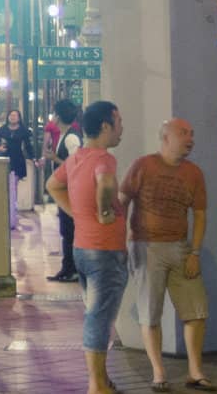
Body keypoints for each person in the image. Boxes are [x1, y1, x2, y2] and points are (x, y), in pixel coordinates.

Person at [120, 118, 215, 391]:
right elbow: (123, 200)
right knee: (150, 313)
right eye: (184, 133)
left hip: (180, 247)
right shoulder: (143, 165)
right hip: (145, 246)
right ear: (166, 138)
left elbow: (199, 214)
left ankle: (195, 371)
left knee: (196, 310)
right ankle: (158, 372)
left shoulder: (194, 173)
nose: (190, 138)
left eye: (192, 133)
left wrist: (195, 251)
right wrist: (120, 241)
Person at [47, 100, 127, 394]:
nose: (122, 130)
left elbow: (52, 187)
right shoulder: (104, 159)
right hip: (103, 251)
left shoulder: (77, 157)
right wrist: (104, 210)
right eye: (119, 123)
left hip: (83, 248)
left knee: (97, 314)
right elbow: (105, 183)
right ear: (105, 126)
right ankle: (97, 385)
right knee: (99, 317)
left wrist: (77, 212)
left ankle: (102, 379)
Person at [45, 99, 85, 282]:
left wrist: (55, 158)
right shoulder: (64, 135)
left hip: (70, 190)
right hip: (64, 189)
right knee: (65, 229)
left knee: (70, 230)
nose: (52, 117)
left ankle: (73, 269)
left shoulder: (71, 137)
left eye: (54, 113)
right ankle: (66, 267)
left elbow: (77, 164)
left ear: (59, 116)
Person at [0, 108, 35, 231]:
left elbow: (28, 146)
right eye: (11, 115)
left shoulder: (24, 131)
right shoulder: (2, 129)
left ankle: (12, 216)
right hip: (3, 160)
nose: (13, 117)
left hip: (17, 161)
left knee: (13, 187)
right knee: (4, 187)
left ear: (19, 118)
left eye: (15, 115)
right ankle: (6, 213)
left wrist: (34, 158)